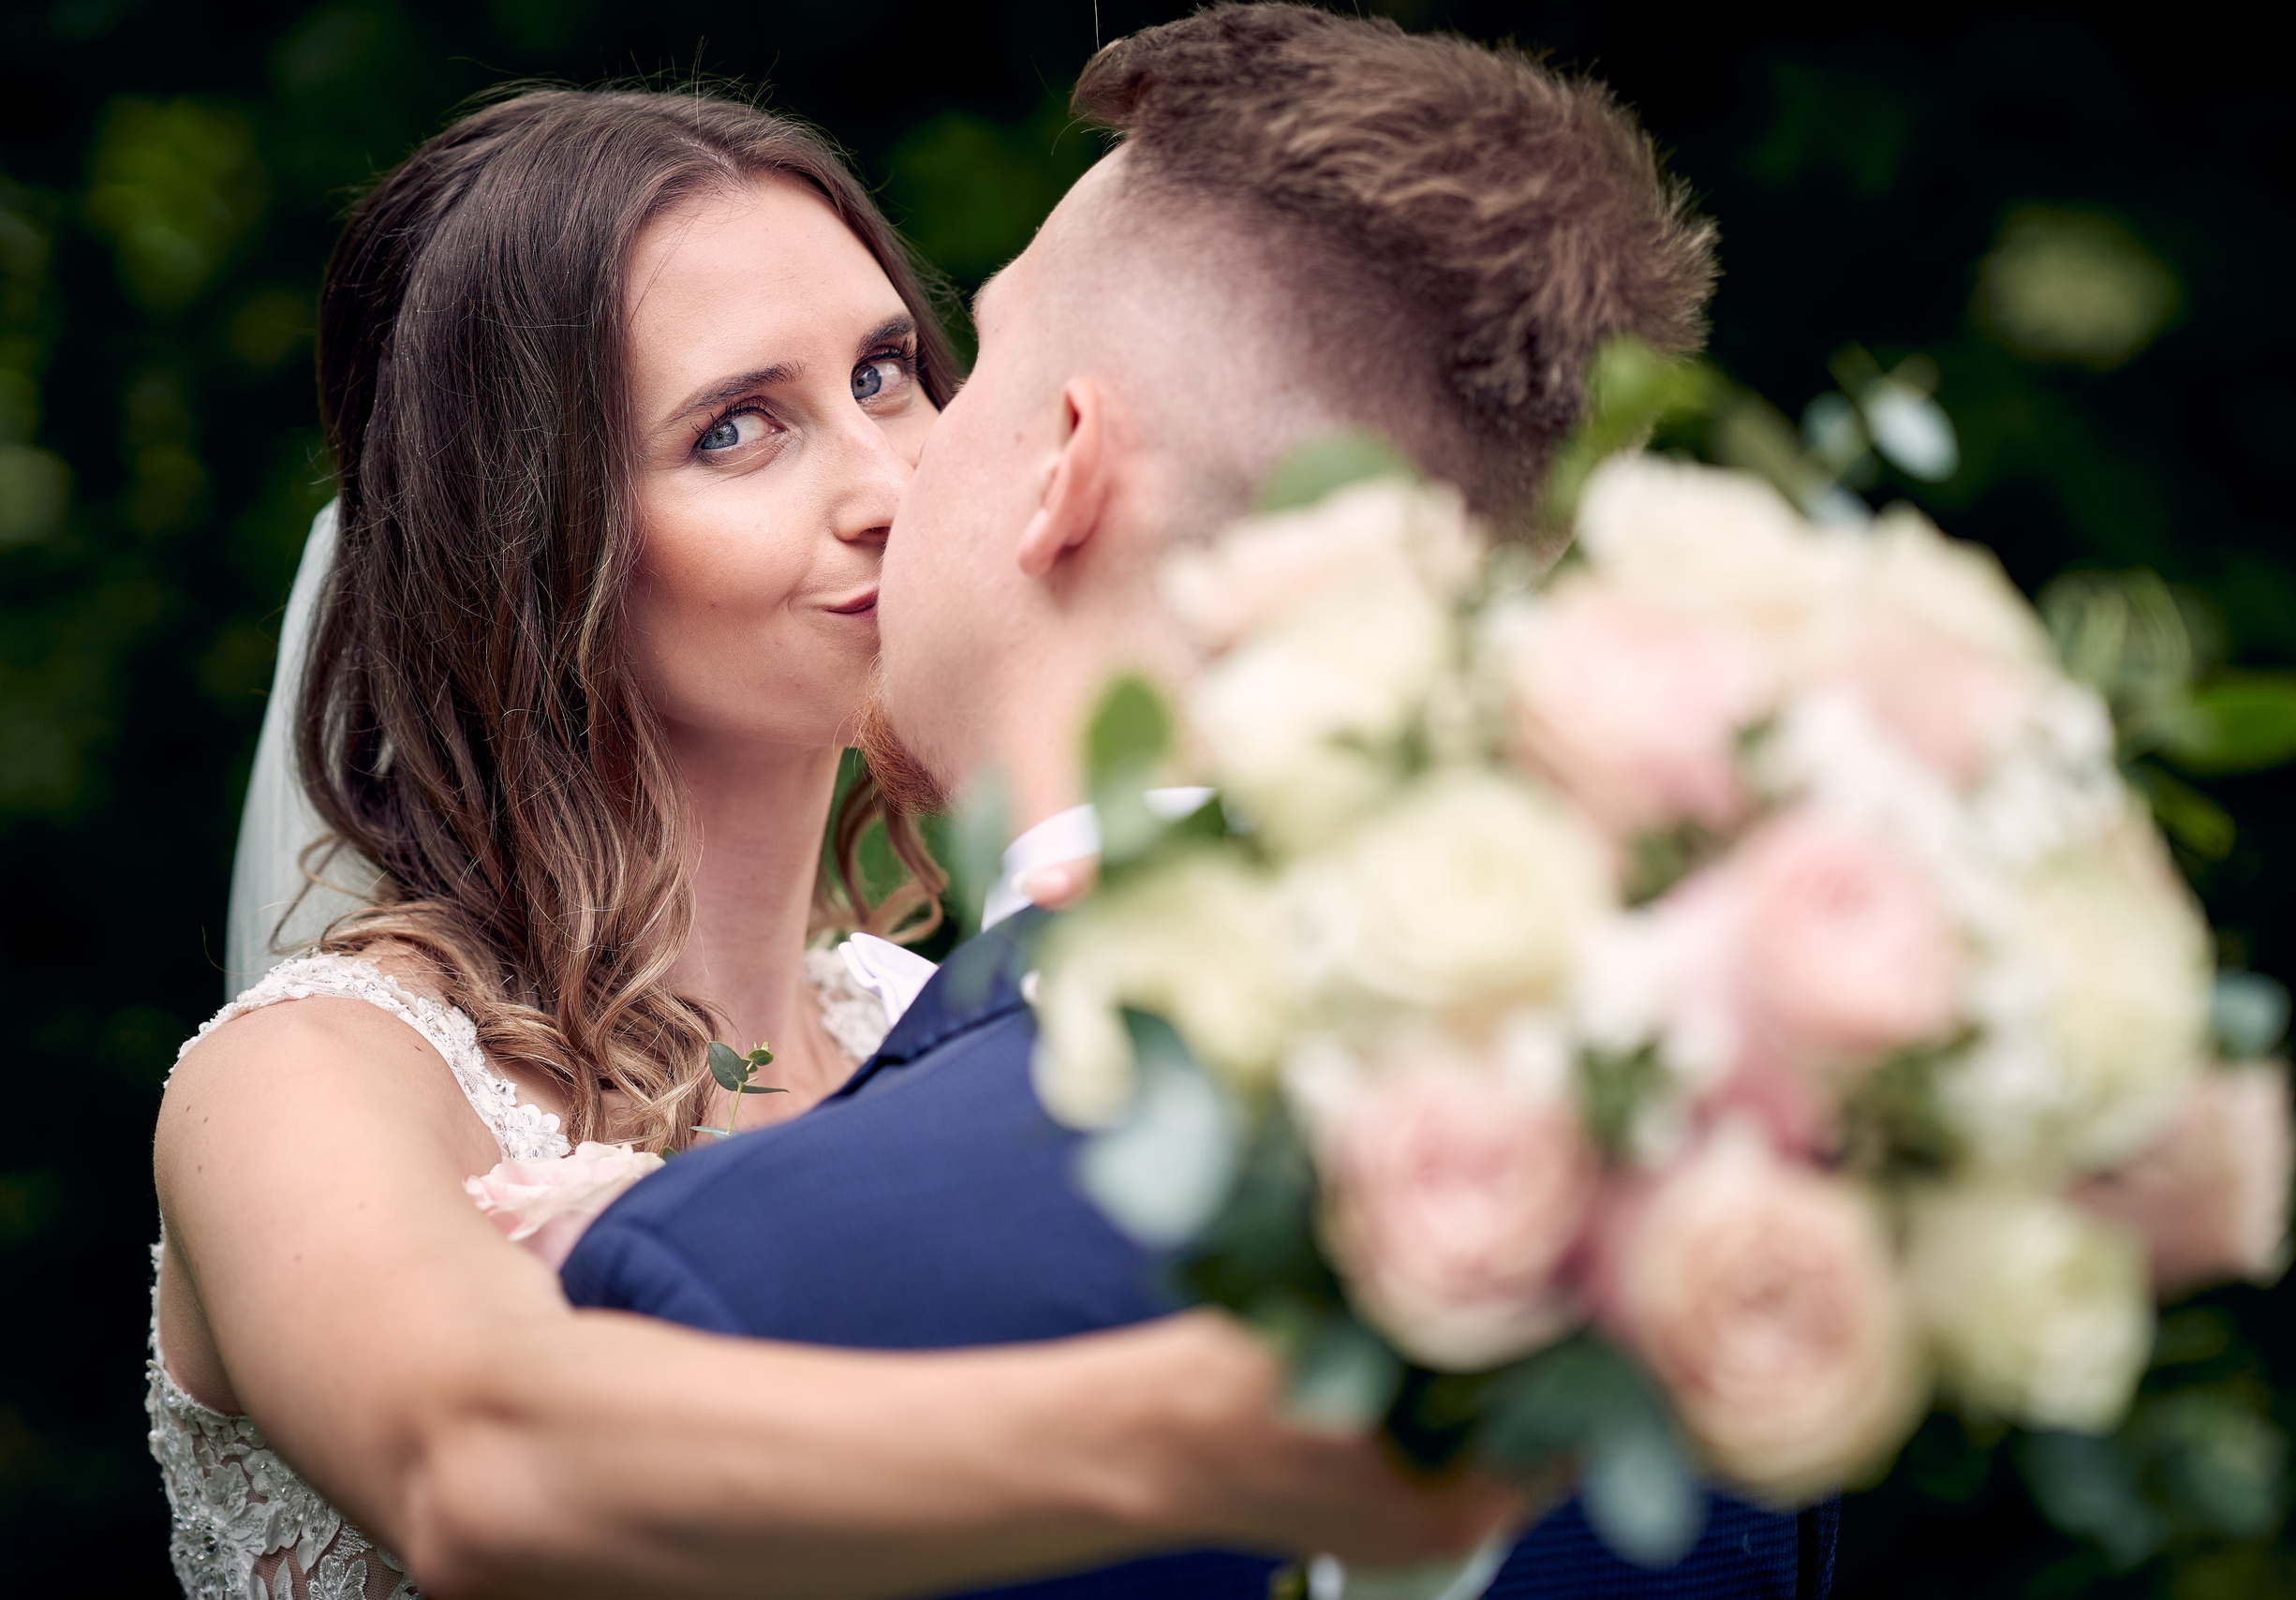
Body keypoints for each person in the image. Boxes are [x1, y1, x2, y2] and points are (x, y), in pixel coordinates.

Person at [154, 85, 1512, 1600]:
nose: (892, 486)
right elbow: (470, 1471)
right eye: (735, 431)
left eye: (885, 374)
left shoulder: (947, 1023)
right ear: (530, 552)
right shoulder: (314, 1076)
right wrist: (1222, 1430)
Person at [567, 8, 1834, 1598]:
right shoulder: (1735, 1262)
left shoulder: (730, 1285)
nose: (898, 474)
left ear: (1067, 464)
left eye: (969, 365)